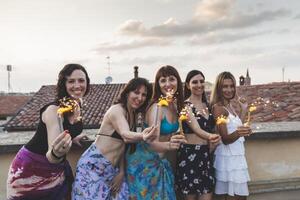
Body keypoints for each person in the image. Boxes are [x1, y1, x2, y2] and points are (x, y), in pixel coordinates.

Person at [126, 65, 219, 200]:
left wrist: (211, 137)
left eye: (172, 79)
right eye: (163, 80)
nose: (168, 84)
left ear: (178, 82)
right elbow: (151, 143)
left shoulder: (176, 106)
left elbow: (194, 128)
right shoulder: (156, 107)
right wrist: (170, 144)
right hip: (144, 163)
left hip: (161, 163)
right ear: (158, 85)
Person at [7, 63, 90, 200]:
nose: (77, 85)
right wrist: (57, 152)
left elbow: (65, 129)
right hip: (29, 171)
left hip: (55, 171)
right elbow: (51, 155)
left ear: (87, 82)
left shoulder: (76, 105)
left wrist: (73, 137)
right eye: (71, 81)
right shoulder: (54, 110)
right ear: (64, 84)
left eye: (81, 80)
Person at [72, 77, 157, 200]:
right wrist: (143, 136)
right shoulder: (117, 110)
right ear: (128, 92)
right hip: (93, 167)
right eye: (136, 92)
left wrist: (121, 171)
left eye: (144, 95)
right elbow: (125, 135)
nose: (140, 98)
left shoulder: (132, 114)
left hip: (111, 170)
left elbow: (122, 146)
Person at [176, 70, 221, 200]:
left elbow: (215, 128)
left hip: (205, 156)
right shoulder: (185, 105)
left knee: (207, 196)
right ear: (188, 86)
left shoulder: (208, 106)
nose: (199, 84)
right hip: (189, 156)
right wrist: (211, 137)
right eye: (194, 82)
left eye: (201, 81)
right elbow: (197, 129)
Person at [210, 71, 252, 200]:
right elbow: (226, 139)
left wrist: (243, 110)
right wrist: (240, 132)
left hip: (236, 157)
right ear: (218, 88)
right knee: (234, 196)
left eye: (231, 86)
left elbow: (235, 126)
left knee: (240, 196)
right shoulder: (218, 108)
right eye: (225, 86)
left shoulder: (229, 106)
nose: (229, 89)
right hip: (228, 158)